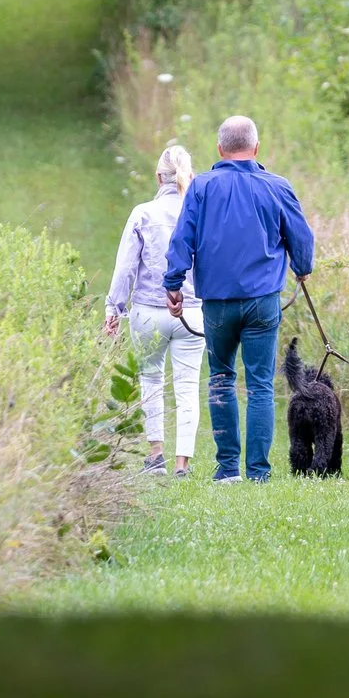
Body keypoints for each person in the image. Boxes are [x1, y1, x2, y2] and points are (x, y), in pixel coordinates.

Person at [163, 114, 315, 482]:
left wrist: (173, 283)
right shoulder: (277, 186)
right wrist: (302, 266)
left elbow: (182, 238)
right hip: (263, 300)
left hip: (216, 303)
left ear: (219, 149)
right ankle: (258, 473)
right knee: (261, 384)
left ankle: (228, 469)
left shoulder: (201, 188)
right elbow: (302, 238)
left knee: (221, 378)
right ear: (256, 147)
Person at [105, 144, 203, 477]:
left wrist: (114, 307)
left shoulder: (142, 213)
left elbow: (125, 267)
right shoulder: (199, 213)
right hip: (191, 310)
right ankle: (182, 463)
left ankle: (155, 454)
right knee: (188, 385)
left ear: (157, 176)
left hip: (148, 308)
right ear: (189, 176)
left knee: (150, 378)